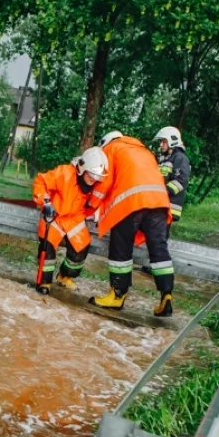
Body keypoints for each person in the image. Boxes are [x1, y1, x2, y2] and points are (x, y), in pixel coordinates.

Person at [88, 131, 175, 316]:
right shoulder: (144, 151)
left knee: (121, 247)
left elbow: (104, 183)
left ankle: (117, 295)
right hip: (159, 202)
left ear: (106, 142)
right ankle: (166, 295)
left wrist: (90, 206)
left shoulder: (112, 149)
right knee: (159, 247)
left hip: (131, 203)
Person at [32, 146, 108, 294]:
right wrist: (46, 202)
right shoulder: (64, 173)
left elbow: (97, 202)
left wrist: (97, 213)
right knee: (47, 249)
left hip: (74, 218)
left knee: (80, 250)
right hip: (55, 215)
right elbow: (41, 181)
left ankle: (64, 276)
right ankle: (44, 282)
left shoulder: (95, 183)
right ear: (82, 168)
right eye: (91, 175)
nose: (93, 180)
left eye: (97, 177)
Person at [154, 126, 191, 224]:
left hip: (168, 207)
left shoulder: (180, 158)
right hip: (159, 206)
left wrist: (161, 193)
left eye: (163, 141)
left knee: (158, 238)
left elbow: (181, 180)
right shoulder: (165, 159)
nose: (161, 144)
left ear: (172, 141)